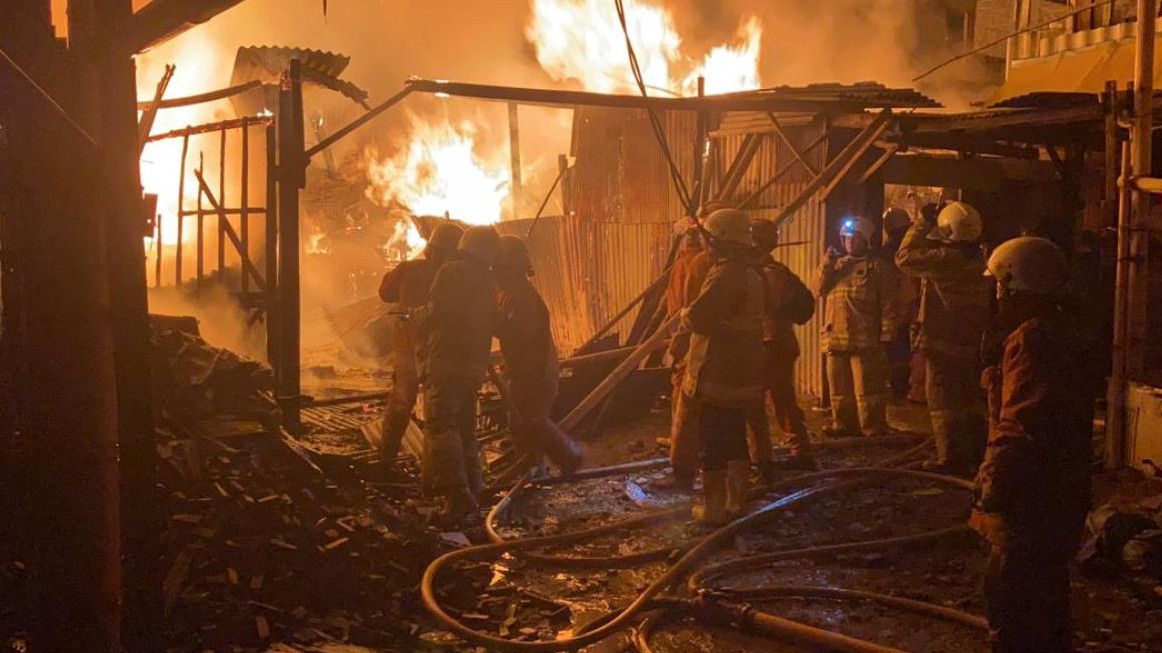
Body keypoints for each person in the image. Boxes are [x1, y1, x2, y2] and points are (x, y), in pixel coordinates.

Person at [971, 236, 1094, 653]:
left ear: (1014, 283)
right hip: (1061, 490)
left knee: (1013, 598)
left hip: (1031, 496)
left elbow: (1021, 424)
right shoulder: (1062, 329)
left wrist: (990, 483)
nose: (997, 293)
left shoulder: (1032, 338)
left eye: (1000, 284)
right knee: (1047, 598)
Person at [682, 209, 765, 524]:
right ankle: (736, 502)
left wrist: (684, 315)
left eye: (710, 237)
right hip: (742, 373)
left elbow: (702, 317)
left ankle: (714, 509)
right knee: (734, 438)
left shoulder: (725, 275)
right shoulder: (751, 274)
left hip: (718, 373)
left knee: (713, 442)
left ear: (720, 240)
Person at [895, 201, 992, 475]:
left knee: (943, 404)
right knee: (972, 401)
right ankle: (976, 453)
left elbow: (904, 257)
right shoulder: (982, 259)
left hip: (943, 343)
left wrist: (921, 223)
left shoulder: (946, 260)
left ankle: (949, 458)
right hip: (973, 344)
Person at [419, 225, 501, 526]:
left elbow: (438, 312)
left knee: (441, 426)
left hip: (447, 362)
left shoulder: (451, 271)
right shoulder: (488, 278)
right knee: (465, 427)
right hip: (473, 365)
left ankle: (456, 498)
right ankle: (474, 488)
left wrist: (414, 318)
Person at [376, 221, 464, 480]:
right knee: (441, 412)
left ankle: (386, 460)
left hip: (410, 350)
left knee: (402, 401)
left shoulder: (410, 269)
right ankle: (439, 472)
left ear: (429, 249)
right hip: (441, 352)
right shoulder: (455, 277)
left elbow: (385, 293)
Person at [493, 235, 583, 475]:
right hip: (525, 372)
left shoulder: (522, 297)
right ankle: (534, 470)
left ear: (507, 269)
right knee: (522, 425)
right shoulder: (510, 294)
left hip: (535, 374)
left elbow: (520, 333)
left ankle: (570, 456)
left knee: (533, 422)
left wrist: (492, 321)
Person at [746, 218, 816, 477]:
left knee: (757, 401)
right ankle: (799, 453)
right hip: (776, 342)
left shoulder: (768, 273)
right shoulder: (775, 270)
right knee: (781, 399)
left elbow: (764, 307)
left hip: (770, 343)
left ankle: (764, 460)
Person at [817, 216, 897, 439]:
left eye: (855, 238)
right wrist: (827, 265)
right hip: (835, 339)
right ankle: (842, 424)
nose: (850, 242)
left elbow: (889, 303)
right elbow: (819, 290)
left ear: (866, 240)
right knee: (839, 389)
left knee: (868, 390)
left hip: (865, 340)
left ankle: (872, 428)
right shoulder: (836, 266)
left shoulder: (878, 268)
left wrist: (887, 334)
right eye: (847, 238)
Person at [656, 218, 713, 491]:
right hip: (693, 343)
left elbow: (691, 312)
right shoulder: (691, 263)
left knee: (685, 408)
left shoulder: (697, 265)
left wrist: (677, 346)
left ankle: (683, 473)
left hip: (691, 346)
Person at [879, 207, 918, 401]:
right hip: (894, 313)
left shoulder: (889, 252)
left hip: (904, 310)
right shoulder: (889, 254)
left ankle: (900, 389)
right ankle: (898, 390)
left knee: (901, 353)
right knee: (896, 354)